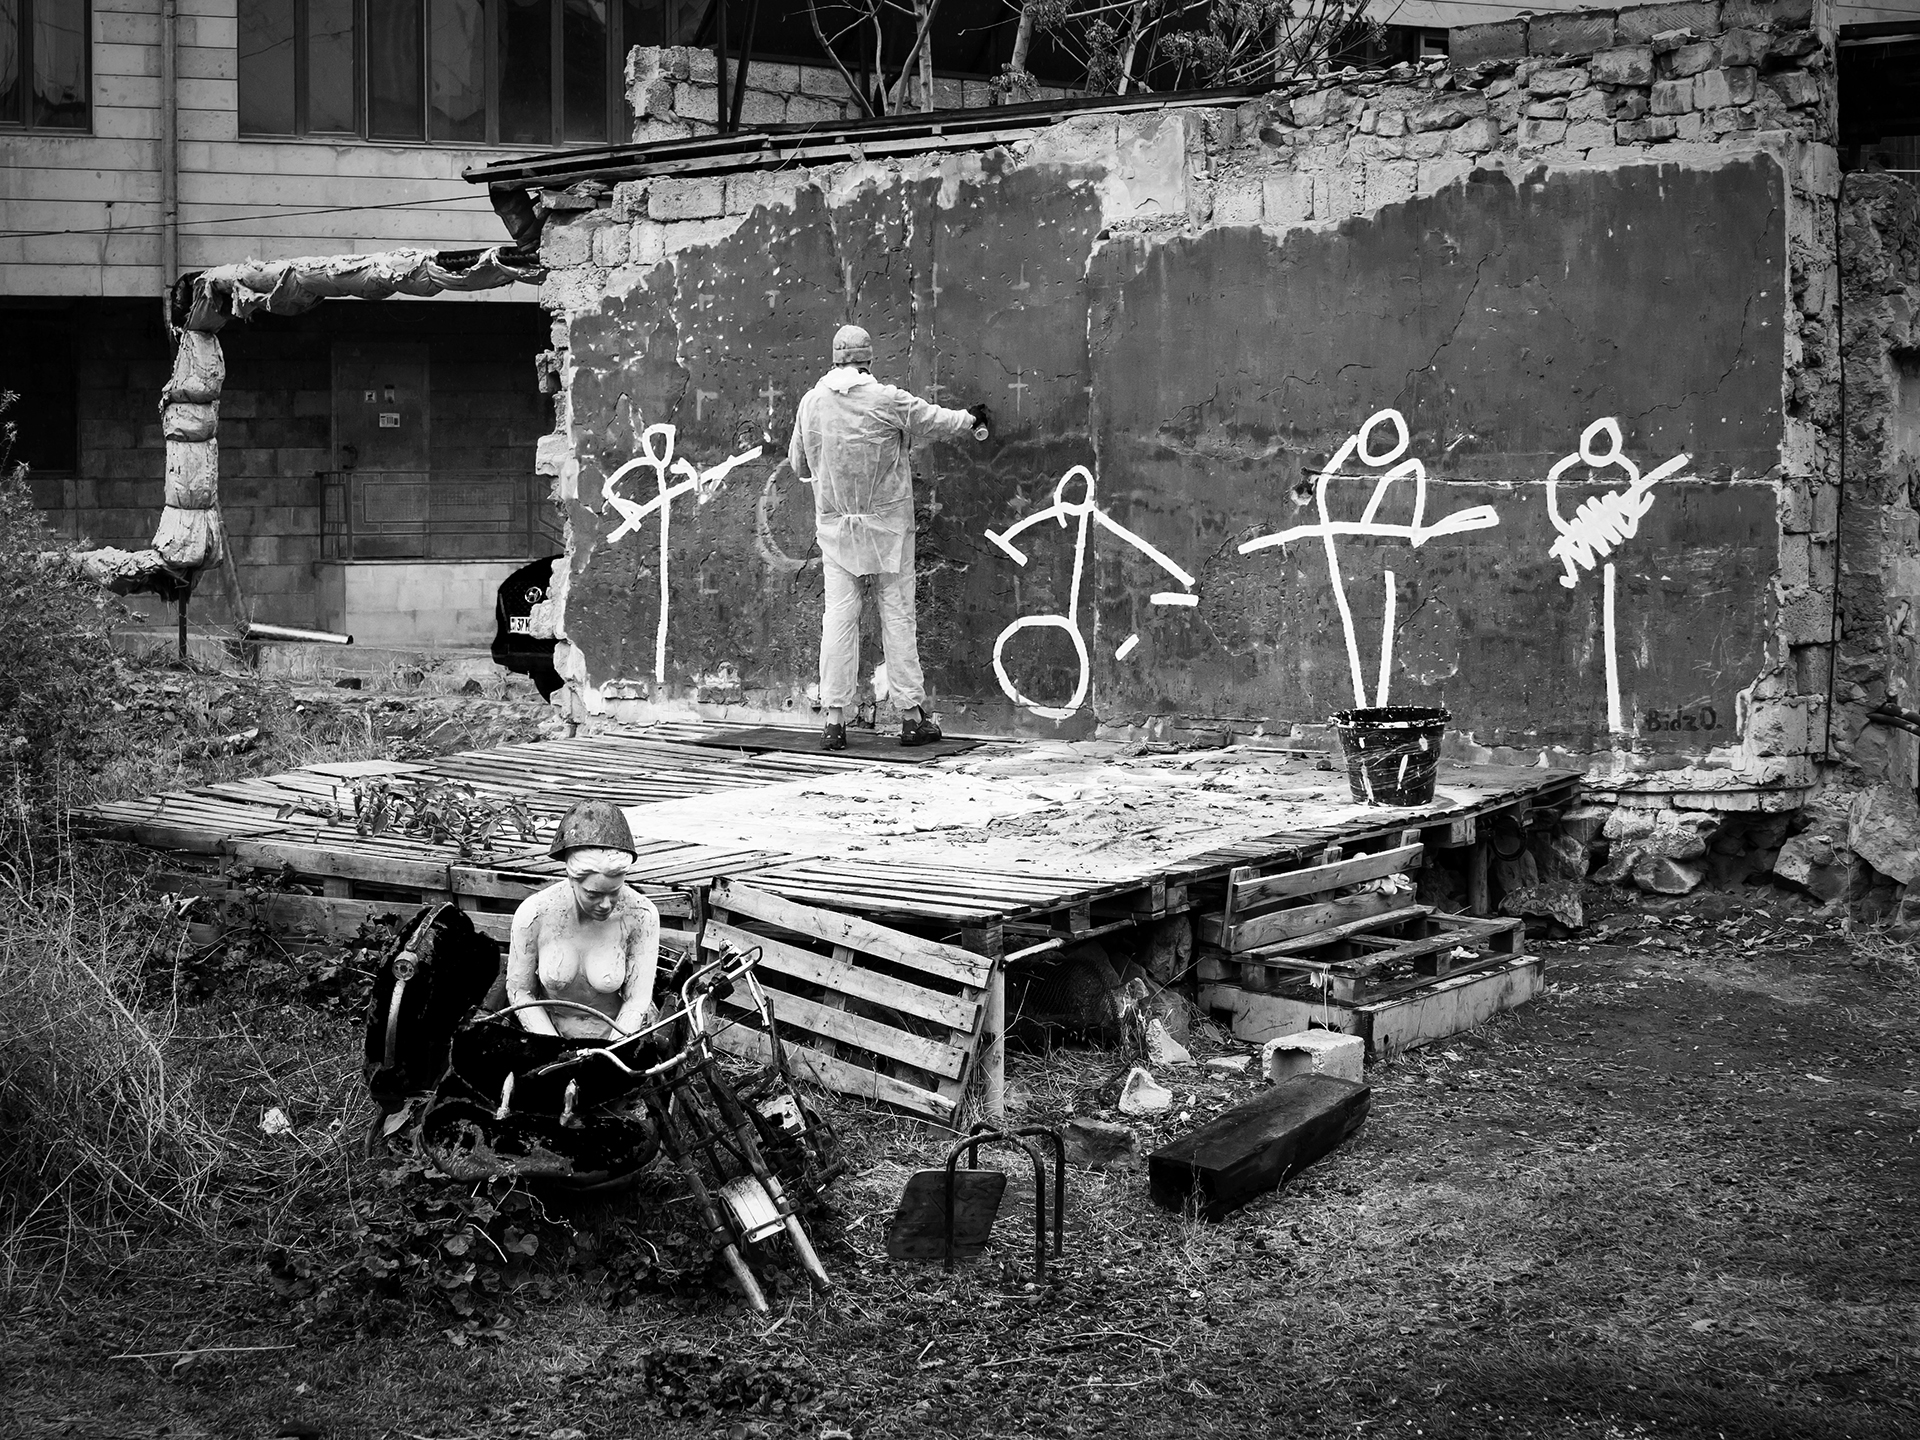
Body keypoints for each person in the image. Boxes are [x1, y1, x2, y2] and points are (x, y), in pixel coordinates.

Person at [787, 323, 991, 751]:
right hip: (889, 531)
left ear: (834, 359)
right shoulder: (886, 399)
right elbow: (934, 421)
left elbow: (799, 465)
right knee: (897, 617)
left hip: (836, 530)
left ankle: (834, 721)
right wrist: (972, 419)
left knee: (839, 619)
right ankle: (912, 718)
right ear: (867, 360)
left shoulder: (811, 403)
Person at [505, 799, 661, 1041]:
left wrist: (612, 1050)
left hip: (619, 1037)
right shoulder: (534, 914)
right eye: (593, 894)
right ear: (572, 879)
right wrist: (553, 1048)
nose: (606, 904)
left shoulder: (641, 914)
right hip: (548, 1036)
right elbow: (520, 991)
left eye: (614, 892)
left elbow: (637, 1000)